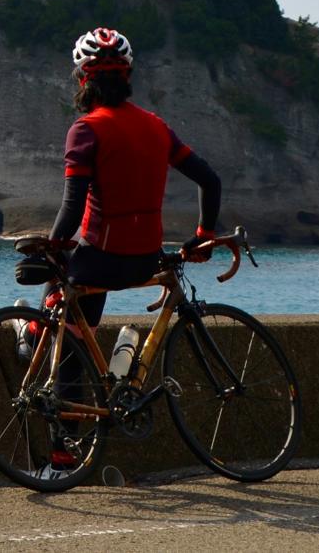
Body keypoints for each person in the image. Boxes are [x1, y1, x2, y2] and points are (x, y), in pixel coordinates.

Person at [37, 26, 222, 473]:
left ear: (83, 79)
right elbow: (210, 180)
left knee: (70, 335)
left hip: (99, 259)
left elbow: (72, 204)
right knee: (75, 301)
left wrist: (54, 248)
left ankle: (63, 452)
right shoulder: (157, 127)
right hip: (144, 259)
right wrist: (202, 235)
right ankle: (112, 361)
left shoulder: (86, 129)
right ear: (129, 75)